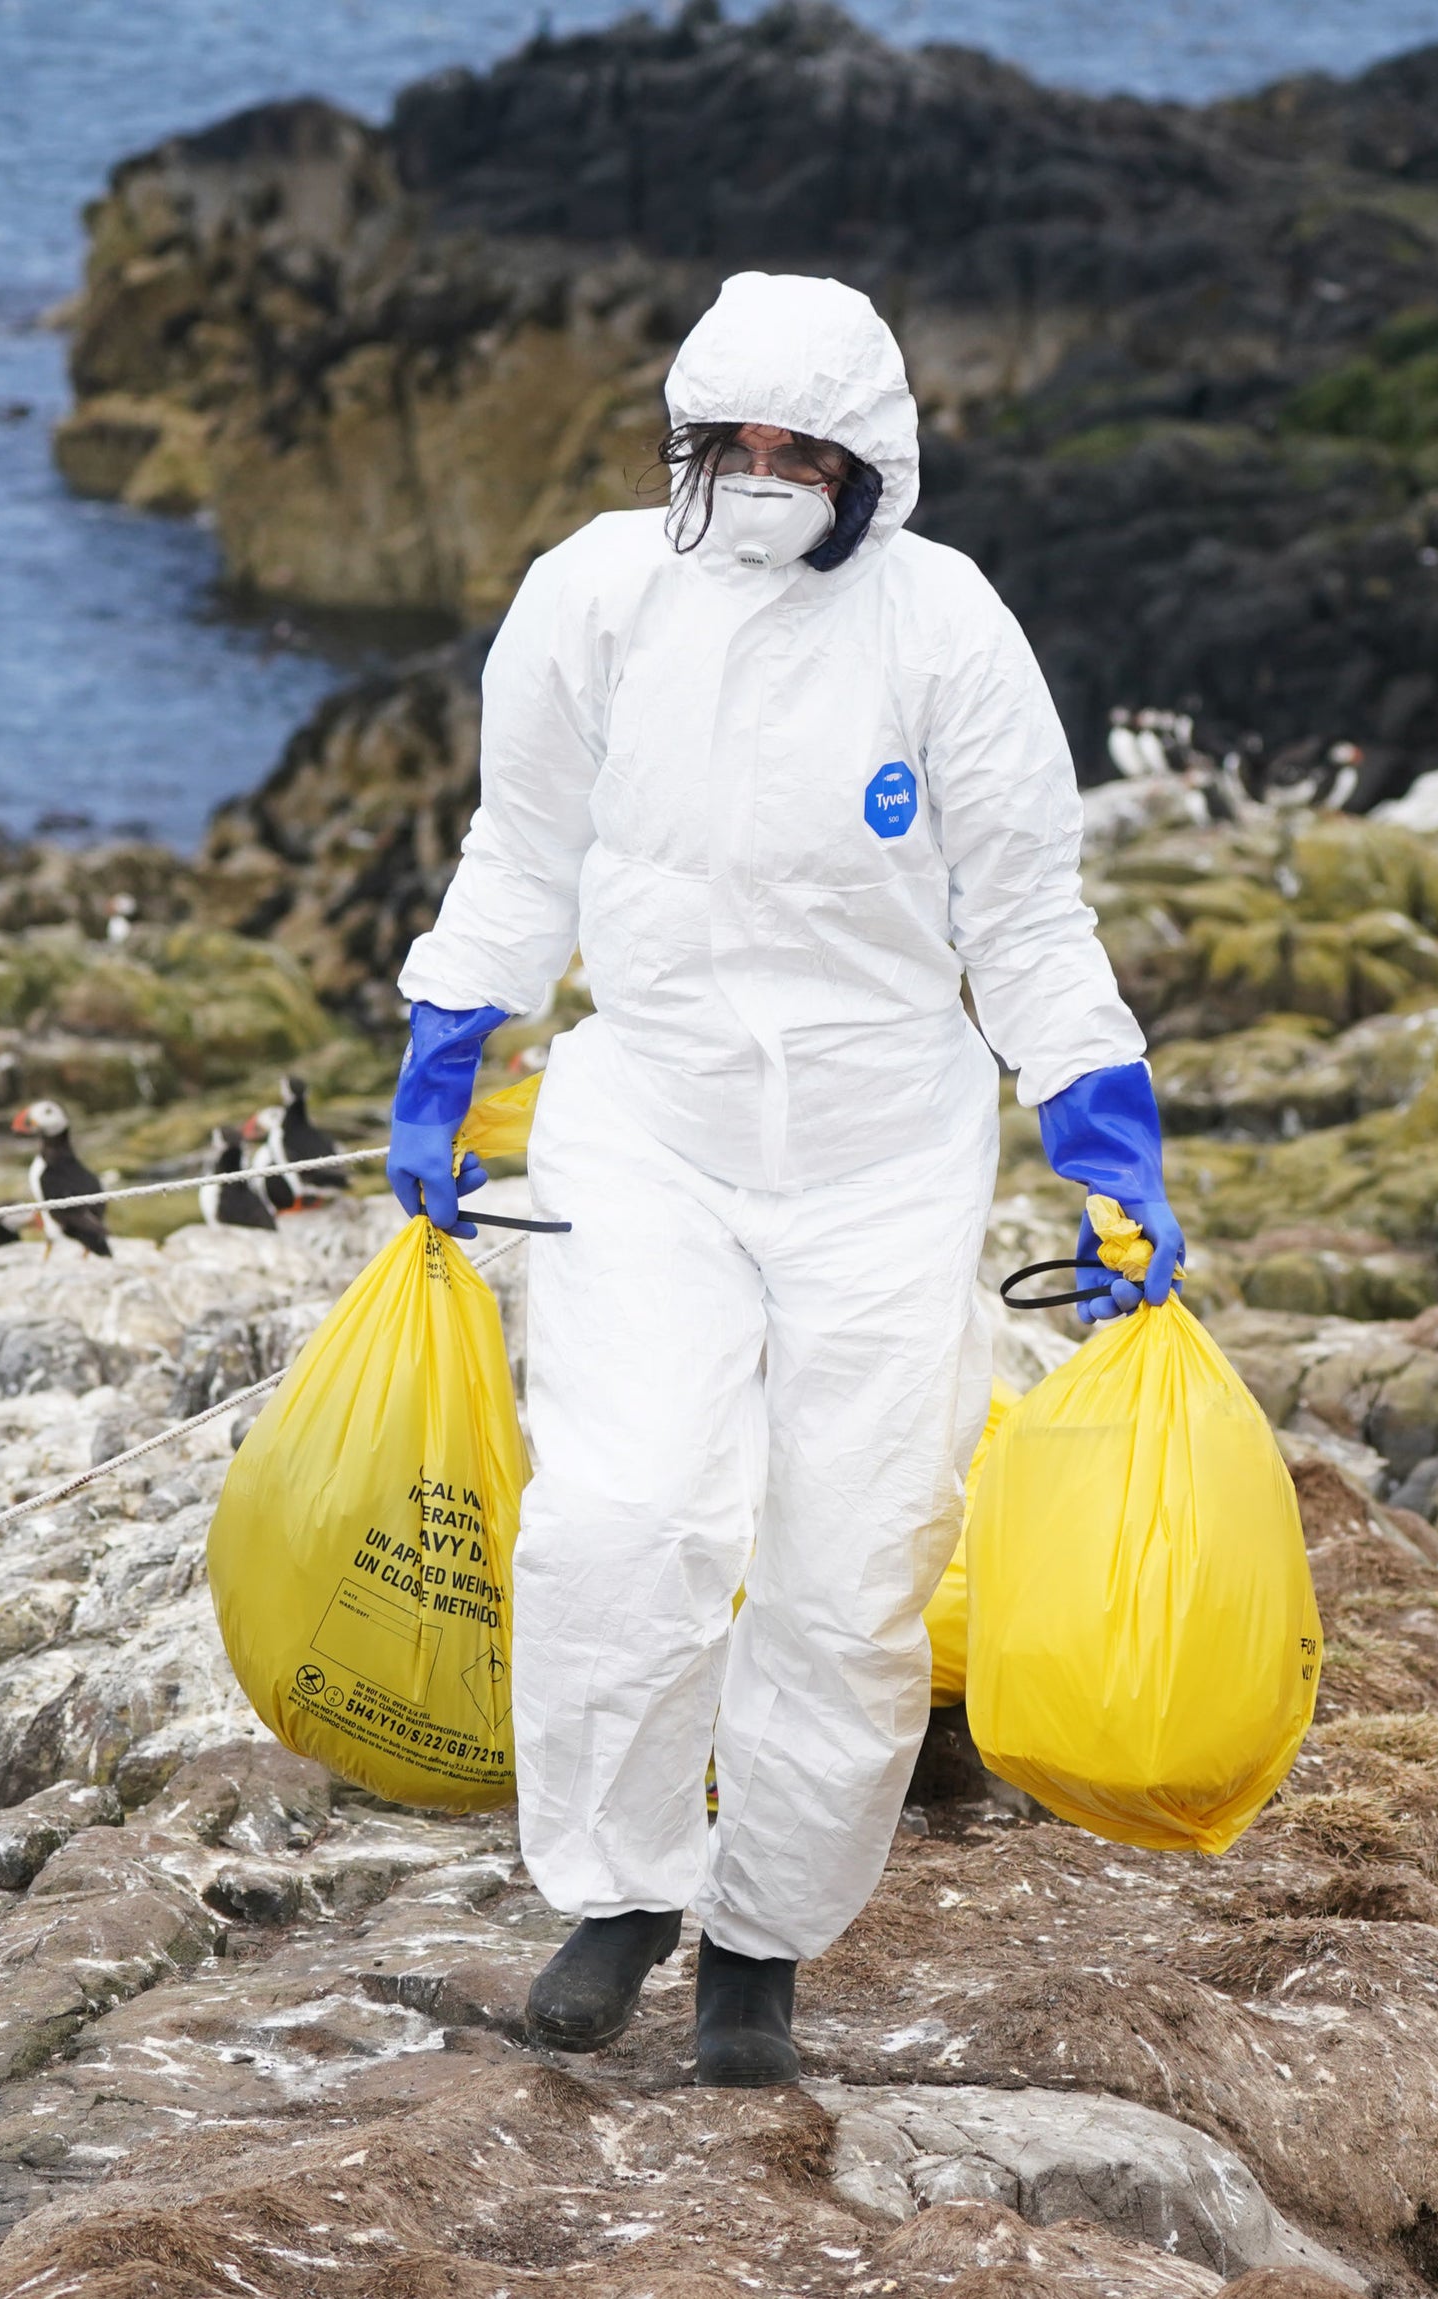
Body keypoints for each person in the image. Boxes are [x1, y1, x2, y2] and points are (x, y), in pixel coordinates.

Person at [387, 272, 1179, 2087]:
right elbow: (519, 847)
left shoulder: (945, 628)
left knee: (847, 1570)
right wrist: (443, 1065)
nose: (757, 471)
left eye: (795, 446)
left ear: (864, 462)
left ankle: (759, 1944)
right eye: (725, 440)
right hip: (648, 1120)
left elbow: (1029, 917)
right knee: (619, 1521)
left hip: (880, 1147)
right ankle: (619, 1889)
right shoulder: (593, 595)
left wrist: (1104, 1151)